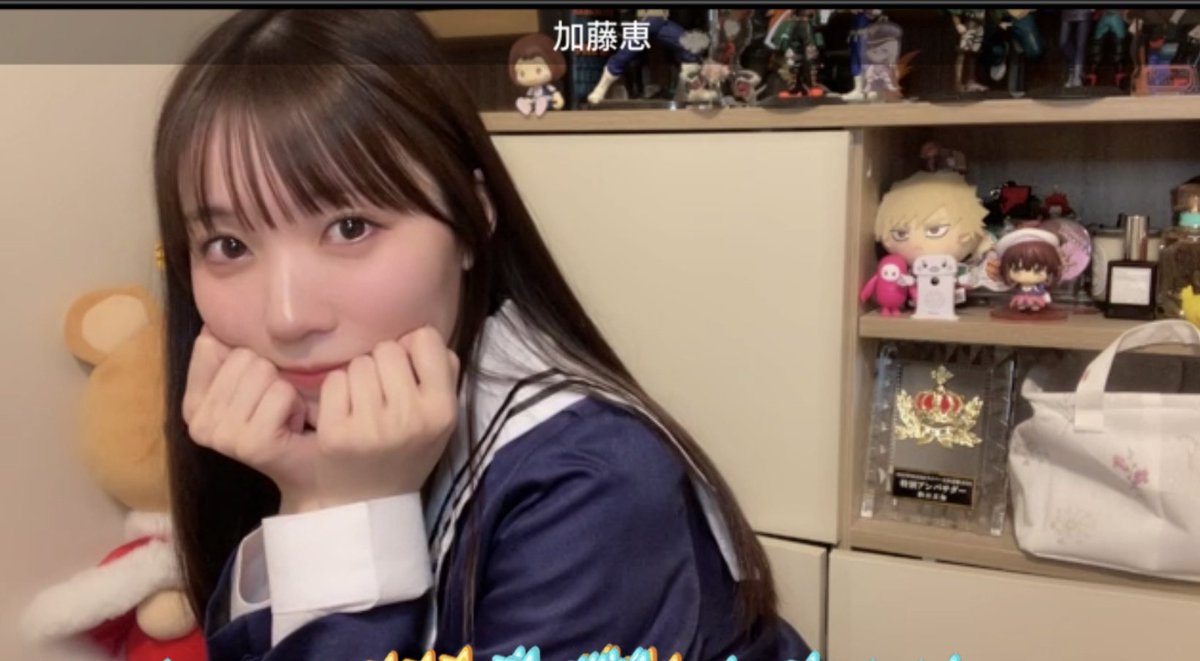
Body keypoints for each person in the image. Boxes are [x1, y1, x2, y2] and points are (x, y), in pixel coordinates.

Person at [153, 9, 813, 661]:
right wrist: (309, 493)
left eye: (350, 227)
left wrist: (346, 512)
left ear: (471, 218)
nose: (287, 316)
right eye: (228, 244)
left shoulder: (590, 483)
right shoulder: (312, 439)